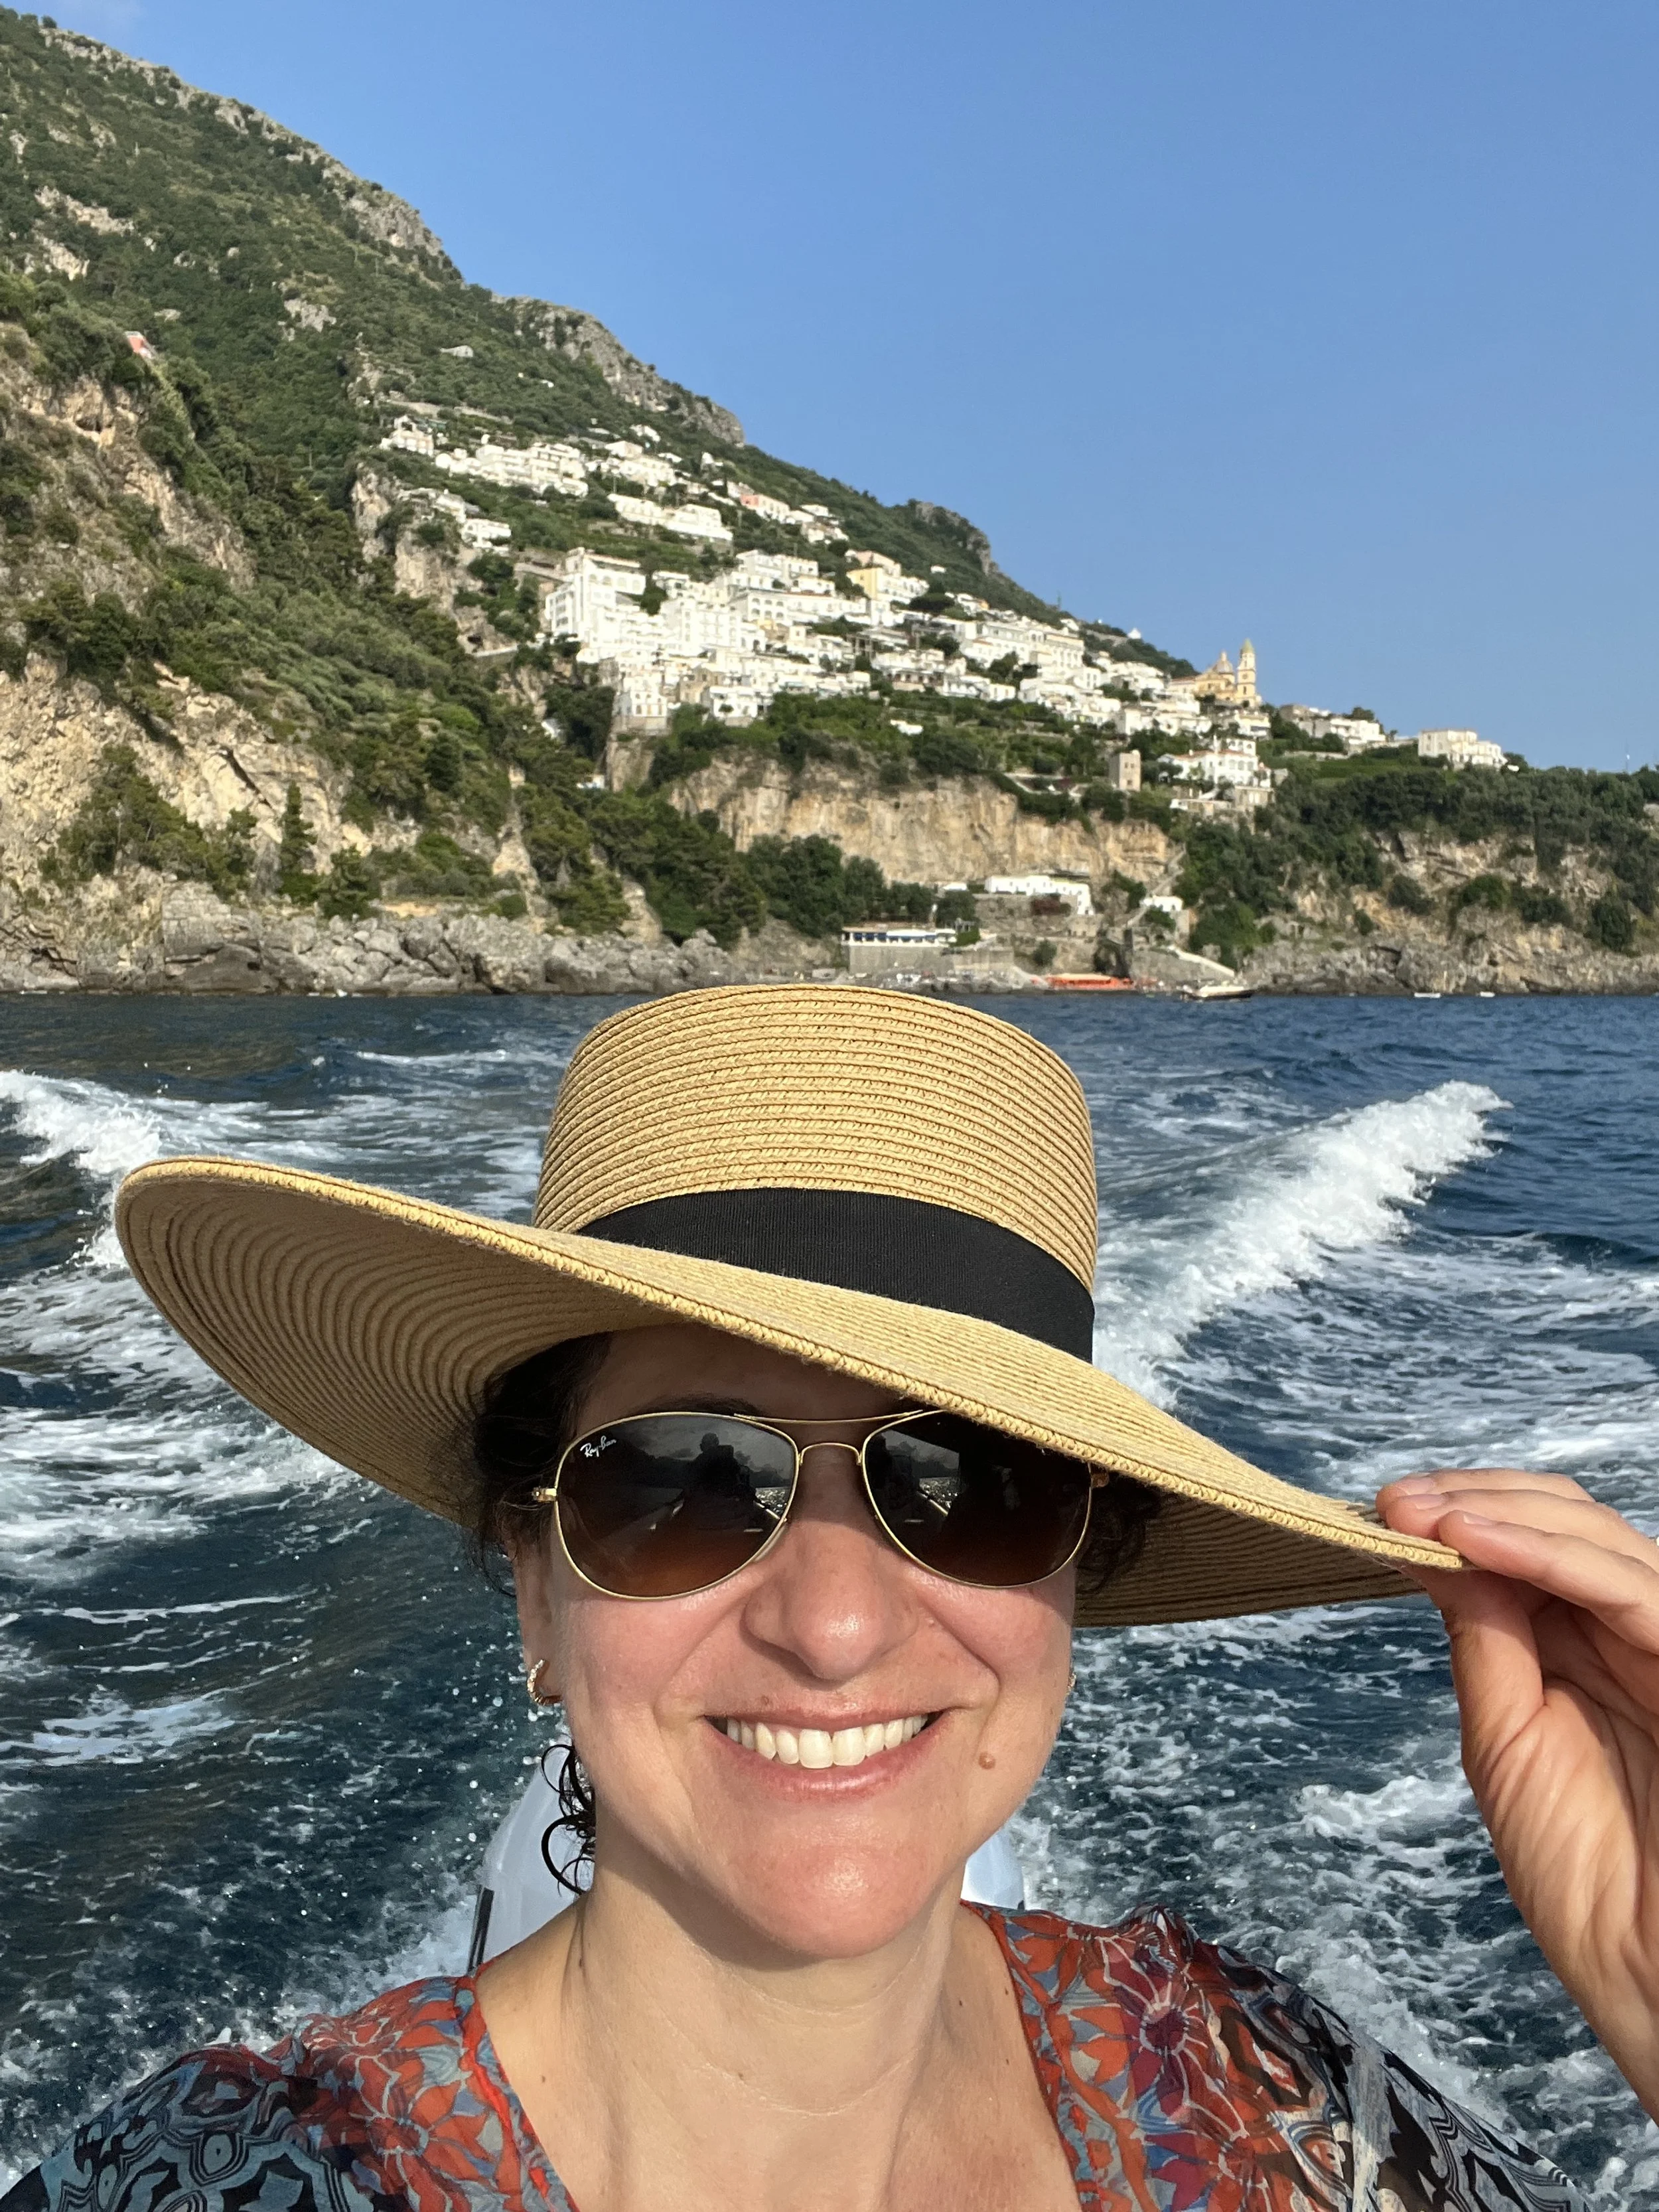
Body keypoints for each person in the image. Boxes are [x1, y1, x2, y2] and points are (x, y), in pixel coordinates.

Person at [11, 983, 1658, 2212]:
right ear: (529, 1587)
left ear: (1074, 1570)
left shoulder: (1258, 2072)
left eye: (970, 1483)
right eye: (676, 1483)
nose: (836, 1625)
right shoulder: (230, 2172)